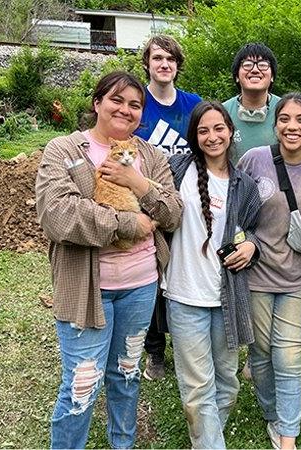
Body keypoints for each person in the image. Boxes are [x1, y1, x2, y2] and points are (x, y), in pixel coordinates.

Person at [35, 71, 183, 449]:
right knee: (82, 384)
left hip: (139, 285)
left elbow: (173, 211)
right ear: (97, 102)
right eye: (117, 100)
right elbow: (58, 214)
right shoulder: (65, 151)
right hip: (88, 289)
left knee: (127, 374)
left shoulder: (149, 155)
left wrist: (137, 182)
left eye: (135, 105)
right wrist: (127, 223)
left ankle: (123, 444)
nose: (126, 110)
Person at [238, 93, 301, 450]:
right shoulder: (253, 160)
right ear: (275, 123)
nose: (292, 126)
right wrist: (245, 242)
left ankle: (288, 436)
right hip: (257, 274)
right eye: (285, 119)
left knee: (289, 355)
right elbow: (236, 213)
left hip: (298, 277)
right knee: (261, 352)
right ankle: (272, 414)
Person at [164, 101, 262, 449]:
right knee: (197, 387)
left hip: (226, 296)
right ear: (193, 136)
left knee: (227, 382)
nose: (212, 136)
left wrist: (252, 245)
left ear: (231, 131)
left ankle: (204, 440)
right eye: (203, 130)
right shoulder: (176, 171)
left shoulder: (245, 185)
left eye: (219, 128)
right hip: (184, 294)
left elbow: (253, 230)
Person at [134, 34, 202, 381]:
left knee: (183, 270)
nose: (164, 64)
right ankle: (154, 350)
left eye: (171, 59)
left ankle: (188, 340)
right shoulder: (136, 102)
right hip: (141, 202)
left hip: (185, 201)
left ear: (178, 65)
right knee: (149, 276)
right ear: (147, 62)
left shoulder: (192, 103)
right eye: (158, 58)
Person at [223, 42, 281, 163]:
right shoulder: (223, 112)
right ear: (237, 76)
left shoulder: (285, 109)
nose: (255, 70)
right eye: (247, 65)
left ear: (272, 76)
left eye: (263, 65)